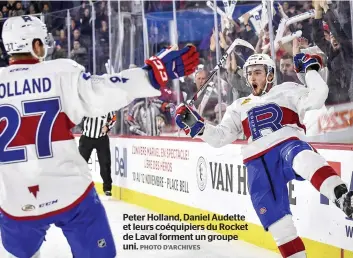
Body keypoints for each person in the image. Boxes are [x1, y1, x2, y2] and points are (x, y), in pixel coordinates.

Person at [0, 15, 199, 258]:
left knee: (21, 253)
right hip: (70, 194)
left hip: (17, 201)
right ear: (35, 45)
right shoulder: (60, 73)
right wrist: (150, 74)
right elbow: (104, 91)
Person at [175, 53, 353, 258]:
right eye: (249, 73)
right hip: (256, 164)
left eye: (258, 72)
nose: (252, 77)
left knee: (303, 157)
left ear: (270, 74)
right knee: (281, 230)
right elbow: (219, 138)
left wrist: (310, 70)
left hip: (286, 144)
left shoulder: (288, 90)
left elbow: (319, 94)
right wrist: (197, 126)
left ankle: (342, 198)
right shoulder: (238, 106)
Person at [78, 111, 116, 196]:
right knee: (81, 164)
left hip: (102, 138)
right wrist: (82, 126)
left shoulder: (106, 105)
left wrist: (107, 126)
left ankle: (107, 188)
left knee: (105, 164)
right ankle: (78, 186)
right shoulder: (87, 103)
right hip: (86, 138)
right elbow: (78, 115)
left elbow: (114, 117)